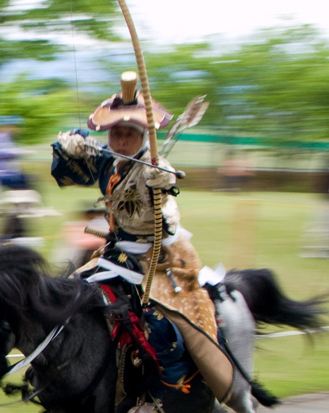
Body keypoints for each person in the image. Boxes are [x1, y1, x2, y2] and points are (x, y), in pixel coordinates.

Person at [51, 72, 234, 406]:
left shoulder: (155, 166)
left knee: (161, 325)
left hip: (157, 259)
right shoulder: (106, 160)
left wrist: (160, 185)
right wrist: (69, 145)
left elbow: (168, 219)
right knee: (65, 301)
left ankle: (178, 392)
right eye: (116, 133)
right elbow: (67, 169)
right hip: (114, 255)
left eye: (129, 134)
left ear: (142, 136)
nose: (121, 141)